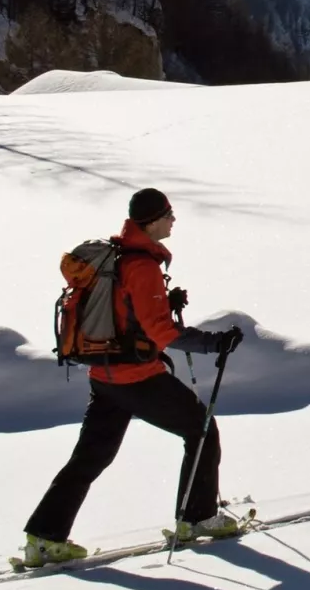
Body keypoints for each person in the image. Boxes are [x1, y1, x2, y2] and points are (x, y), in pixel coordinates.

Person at [20, 187, 245, 567]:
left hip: (105, 376)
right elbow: (161, 334)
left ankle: (43, 538)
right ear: (153, 220)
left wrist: (163, 306)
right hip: (136, 376)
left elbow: (133, 317)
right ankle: (198, 518)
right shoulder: (141, 265)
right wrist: (213, 343)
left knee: (91, 456)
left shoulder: (120, 257)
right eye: (169, 214)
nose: (174, 220)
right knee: (201, 429)